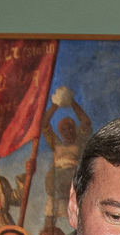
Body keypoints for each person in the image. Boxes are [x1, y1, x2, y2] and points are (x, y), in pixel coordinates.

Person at [39, 88, 93, 226]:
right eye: (64, 129)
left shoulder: (79, 142)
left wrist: (72, 102)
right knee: (51, 212)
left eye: (70, 128)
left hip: (72, 178)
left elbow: (86, 123)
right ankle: (48, 234)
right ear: (60, 132)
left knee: (77, 212)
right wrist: (55, 104)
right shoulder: (56, 144)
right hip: (56, 179)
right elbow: (44, 125)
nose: (68, 132)